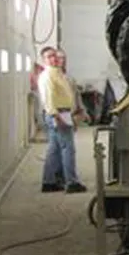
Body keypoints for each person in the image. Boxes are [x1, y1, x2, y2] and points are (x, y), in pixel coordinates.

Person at [39, 47, 87, 194]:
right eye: (49, 57)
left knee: (54, 149)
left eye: (54, 56)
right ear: (43, 60)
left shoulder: (57, 73)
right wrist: (56, 116)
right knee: (68, 148)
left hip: (63, 112)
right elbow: (49, 98)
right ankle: (72, 182)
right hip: (59, 114)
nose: (53, 59)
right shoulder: (47, 76)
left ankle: (49, 182)